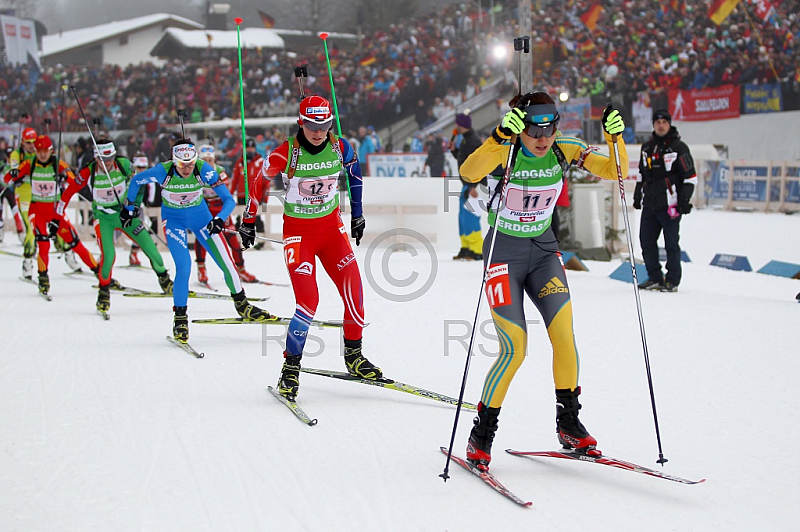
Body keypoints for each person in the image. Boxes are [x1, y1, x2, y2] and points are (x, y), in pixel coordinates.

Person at [458, 92, 629, 471]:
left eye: (549, 129)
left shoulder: (564, 149)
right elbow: (468, 172)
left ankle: (568, 423)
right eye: (534, 130)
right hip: (504, 254)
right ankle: (481, 433)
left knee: (564, 335)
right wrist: (500, 136)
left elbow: (615, 171)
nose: (542, 138)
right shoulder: (507, 149)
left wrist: (616, 139)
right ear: (521, 127)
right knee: (514, 347)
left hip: (544, 252)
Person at [239, 94, 382, 400]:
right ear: (300, 122)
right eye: (312, 125)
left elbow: (355, 177)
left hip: (332, 231)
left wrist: (357, 215)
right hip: (299, 234)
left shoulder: (340, 147)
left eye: (326, 124)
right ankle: (290, 369)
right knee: (308, 302)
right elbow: (258, 181)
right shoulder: (285, 153)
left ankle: (353, 356)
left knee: (355, 294)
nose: (319, 131)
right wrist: (250, 219)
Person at [120, 138, 273, 343]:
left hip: (201, 218)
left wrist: (219, 219)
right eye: (182, 164)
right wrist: (129, 208)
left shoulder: (205, 170)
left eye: (191, 163)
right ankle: (180, 318)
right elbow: (136, 180)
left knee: (227, 262)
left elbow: (229, 199)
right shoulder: (162, 171)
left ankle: (242, 304)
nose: (187, 168)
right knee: (183, 267)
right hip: (174, 221)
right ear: (174, 161)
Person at [56, 139, 173, 313]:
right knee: (109, 256)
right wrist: (57, 213)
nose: (109, 162)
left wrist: (134, 207)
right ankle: (103, 292)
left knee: (151, 248)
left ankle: (164, 280)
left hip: (124, 214)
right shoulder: (89, 170)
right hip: (103, 218)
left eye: (111, 157)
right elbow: (72, 189)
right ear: (97, 158)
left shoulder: (123, 164)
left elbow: (139, 182)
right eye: (105, 159)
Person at [5, 135, 99, 295]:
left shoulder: (58, 164)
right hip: (37, 211)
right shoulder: (30, 163)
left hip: (56, 212)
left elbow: (75, 182)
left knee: (75, 242)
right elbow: (7, 178)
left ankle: (100, 274)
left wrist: (64, 177)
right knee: (43, 243)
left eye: (45, 151)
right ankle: (43, 278)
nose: (42, 155)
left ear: (51, 151)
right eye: (39, 151)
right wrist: (14, 175)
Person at [633, 109, 696, 292]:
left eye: (664, 122)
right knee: (646, 242)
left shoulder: (679, 147)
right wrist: (638, 195)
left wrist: (684, 199)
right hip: (650, 203)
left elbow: (690, 176)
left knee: (671, 244)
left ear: (669, 124)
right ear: (653, 125)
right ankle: (654, 277)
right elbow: (641, 174)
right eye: (657, 122)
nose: (661, 126)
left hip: (670, 204)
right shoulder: (646, 147)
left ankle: (672, 280)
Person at [194, 144, 258, 285]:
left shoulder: (220, 172)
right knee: (201, 237)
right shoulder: (195, 173)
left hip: (220, 209)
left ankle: (241, 269)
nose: (208, 163)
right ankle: (201, 268)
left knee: (232, 237)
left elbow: (224, 193)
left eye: (210, 160)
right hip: (204, 209)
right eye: (204, 160)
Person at [449, 111, 485, 261]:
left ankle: (477, 249)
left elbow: (479, 164)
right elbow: (463, 160)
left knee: (470, 217)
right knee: (462, 218)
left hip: (472, 186)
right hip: (467, 184)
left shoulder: (473, 141)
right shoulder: (465, 139)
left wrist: (473, 185)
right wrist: (454, 151)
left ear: (460, 125)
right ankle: (466, 247)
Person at [7, 127, 38, 278]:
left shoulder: (41, 153)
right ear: (22, 142)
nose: (32, 145)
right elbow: (14, 171)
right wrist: (15, 175)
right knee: (31, 227)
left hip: (39, 195)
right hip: (24, 195)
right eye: (28, 142)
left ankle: (67, 252)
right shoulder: (16, 154)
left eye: (34, 142)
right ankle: (27, 260)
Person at [230, 138, 266, 245]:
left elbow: (265, 180)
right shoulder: (240, 162)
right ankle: (236, 239)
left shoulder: (260, 161)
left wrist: (265, 197)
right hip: (242, 195)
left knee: (257, 217)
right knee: (240, 217)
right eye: (248, 147)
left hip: (256, 195)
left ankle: (261, 241)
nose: (250, 149)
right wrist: (230, 194)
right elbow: (235, 179)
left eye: (252, 147)